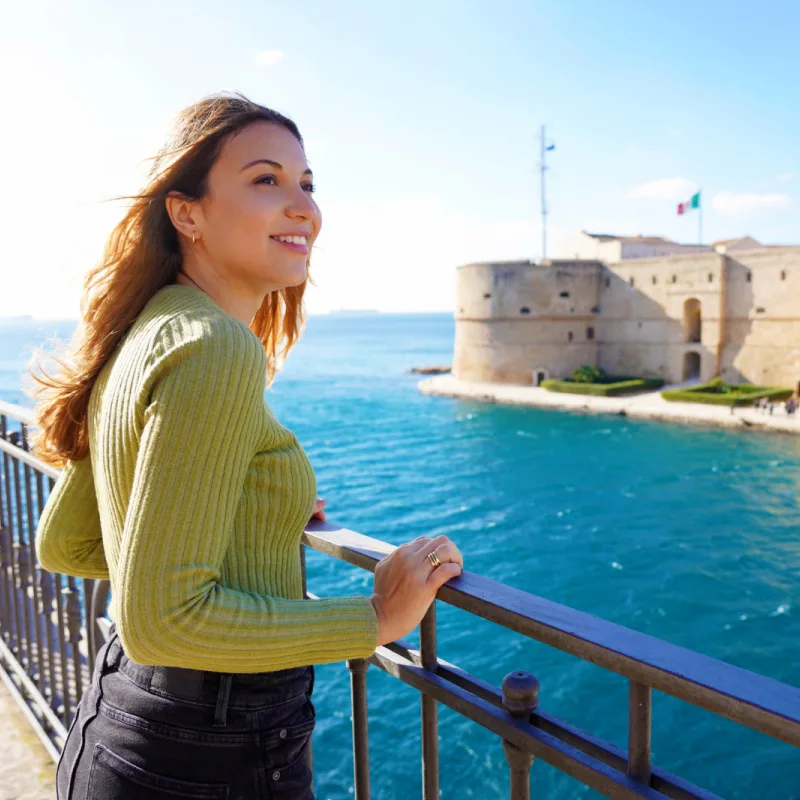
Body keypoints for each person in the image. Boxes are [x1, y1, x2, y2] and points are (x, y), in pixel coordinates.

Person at [29, 91, 464, 800]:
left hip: (123, 728)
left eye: (307, 183)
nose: (304, 207)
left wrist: (240, 514)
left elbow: (66, 544)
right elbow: (163, 621)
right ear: (187, 213)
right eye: (266, 179)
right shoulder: (214, 347)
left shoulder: (146, 329)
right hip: (209, 754)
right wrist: (378, 617)